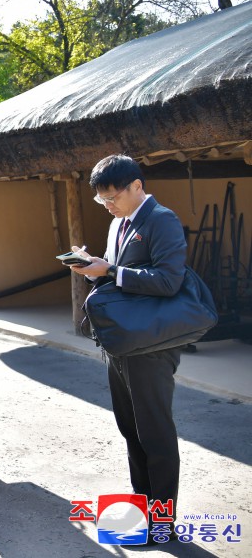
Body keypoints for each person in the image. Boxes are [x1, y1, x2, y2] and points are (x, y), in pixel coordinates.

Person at [69, 154, 186, 527]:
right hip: (120, 342)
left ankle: (162, 520)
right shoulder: (120, 222)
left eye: (112, 197)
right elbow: (117, 277)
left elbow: (169, 281)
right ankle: (142, 509)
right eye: (101, 200)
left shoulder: (162, 220)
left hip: (150, 345)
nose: (108, 206)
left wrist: (113, 270)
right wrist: (94, 269)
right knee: (130, 428)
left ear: (137, 186)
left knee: (155, 432)